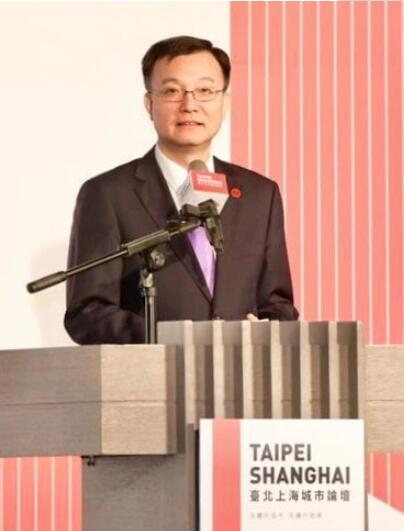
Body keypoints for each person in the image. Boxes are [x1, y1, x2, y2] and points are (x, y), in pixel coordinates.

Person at [64, 35, 298, 344]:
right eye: (172, 91)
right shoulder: (108, 194)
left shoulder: (259, 195)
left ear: (225, 103)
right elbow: (88, 313)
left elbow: (279, 307)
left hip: (238, 371)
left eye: (205, 91)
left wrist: (265, 334)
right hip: (153, 371)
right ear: (150, 104)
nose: (190, 105)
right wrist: (171, 338)